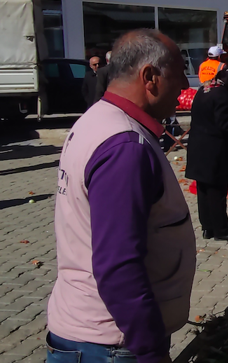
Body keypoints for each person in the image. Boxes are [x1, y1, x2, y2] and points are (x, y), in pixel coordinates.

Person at [47, 29, 195, 363]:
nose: (185, 86)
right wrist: (150, 349)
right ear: (150, 77)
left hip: (87, 334)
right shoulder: (125, 145)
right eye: (178, 74)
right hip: (111, 343)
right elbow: (117, 265)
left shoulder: (96, 120)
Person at [185, 67, 228, 240]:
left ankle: (207, 227)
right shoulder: (221, 95)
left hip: (198, 147)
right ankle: (221, 230)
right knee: (217, 191)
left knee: (203, 190)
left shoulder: (205, 89)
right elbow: (226, 125)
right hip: (215, 149)